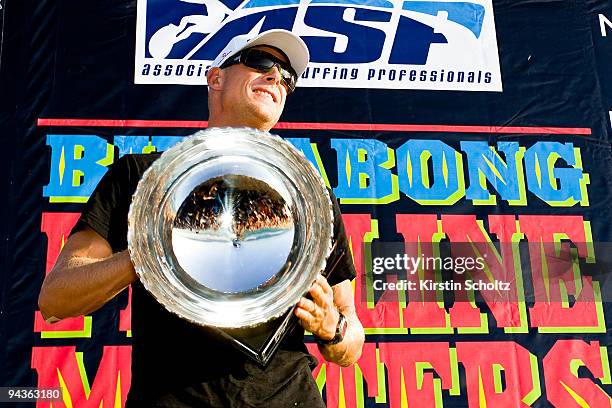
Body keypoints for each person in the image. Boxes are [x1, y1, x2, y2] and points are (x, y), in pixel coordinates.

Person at [38, 29, 365, 407]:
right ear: (216, 78)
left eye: (287, 78)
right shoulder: (143, 179)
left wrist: (333, 328)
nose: (277, 78)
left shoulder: (312, 199)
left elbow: (351, 342)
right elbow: (56, 299)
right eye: (261, 62)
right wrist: (147, 253)